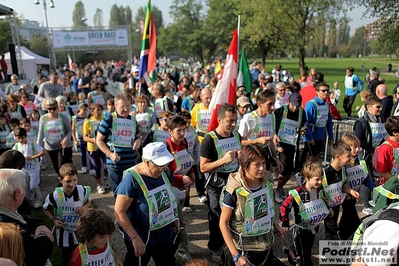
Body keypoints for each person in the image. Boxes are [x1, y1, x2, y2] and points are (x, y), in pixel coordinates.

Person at [114, 142, 179, 266]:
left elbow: (168, 197)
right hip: (142, 237)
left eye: (165, 164)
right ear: (147, 162)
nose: (164, 168)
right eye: (160, 165)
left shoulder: (164, 171)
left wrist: (174, 218)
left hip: (164, 234)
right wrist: (134, 237)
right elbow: (119, 211)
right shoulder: (131, 180)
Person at [219, 144, 284, 265]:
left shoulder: (267, 183)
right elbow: (223, 223)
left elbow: (268, 209)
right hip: (244, 251)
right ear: (245, 166)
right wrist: (236, 256)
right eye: (257, 164)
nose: (262, 168)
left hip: (265, 247)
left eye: (263, 163)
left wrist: (275, 224)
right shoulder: (234, 190)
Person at [200, 103, 242, 263]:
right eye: (230, 121)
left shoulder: (236, 135)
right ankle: (215, 248)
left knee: (235, 216)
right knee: (217, 218)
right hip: (216, 187)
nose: (233, 124)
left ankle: (233, 246)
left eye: (235, 120)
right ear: (219, 119)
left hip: (234, 183)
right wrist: (222, 161)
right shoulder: (209, 139)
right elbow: (203, 167)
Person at [280, 160, 333, 266]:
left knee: (306, 248)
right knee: (306, 254)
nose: (320, 182)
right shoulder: (297, 193)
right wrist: (285, 222)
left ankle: (291, 253)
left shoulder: (320, 190)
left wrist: (328, 208)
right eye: (317, 179)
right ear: (307, 178)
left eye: (321, 179)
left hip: (314, 226)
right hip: (301, 228)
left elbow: (324, 201)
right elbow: (284, 206)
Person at [0, 169, 53, 266]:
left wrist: (39, 225)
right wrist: (44, 237)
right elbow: (35, 256)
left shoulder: (7, 211)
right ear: (17, 195)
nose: (25, 192)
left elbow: (23, 218)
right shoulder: (10, 230)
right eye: (25, 188)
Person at [43, 163, 91, 266]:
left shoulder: (82, 190)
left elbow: (89, 200)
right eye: (68, 181)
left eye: (74, 180)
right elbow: (45, 208)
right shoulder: (54, 196)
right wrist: (53, 220)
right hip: (63, 233)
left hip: (80, 230)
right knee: (68, 257)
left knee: (82, 254)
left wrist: (85, 208)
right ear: (60, 179)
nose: (72, 184)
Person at [96, 94, 142, 192]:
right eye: (122, 107)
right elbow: (99, 140)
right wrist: (110, 154)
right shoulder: (109, 119)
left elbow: (138, 137)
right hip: (115, 165)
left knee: (131, 192)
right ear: (115, 106)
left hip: (131, 163)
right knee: (118, 193)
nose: (126, 109)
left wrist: (138, 141)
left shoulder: (133, 120)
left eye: (128, 106)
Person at [354, 95, 386, 215]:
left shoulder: (381, 120)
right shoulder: (361, 122)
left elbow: (383, 137)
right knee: (368, 179)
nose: (380, 110)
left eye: (381, 107)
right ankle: (366, 204)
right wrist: (373, 150)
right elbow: (360, 140)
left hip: (376, 155)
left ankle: (374, 201)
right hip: (365, 155)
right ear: (368, 107)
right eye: (377, 107)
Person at [340, 134, 375, 240]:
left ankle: (342, 233)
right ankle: (346, 236)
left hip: (354, 194)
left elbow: (365, 177)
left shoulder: (359, 160)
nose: (358, 149)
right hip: (345, 195)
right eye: (354, 147)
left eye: (358, 147)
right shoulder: (343, 163)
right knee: (352, 218)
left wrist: (374, 187)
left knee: (347, 215)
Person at [322, 142, 359, 240]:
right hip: (326, 206)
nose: (351, 158)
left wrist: (350, 191)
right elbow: (319, 189)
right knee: (330, 229)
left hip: (336, 204)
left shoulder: (343, 169)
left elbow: (341, 185)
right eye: (348, 156)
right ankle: (329, 252)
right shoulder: (325, 172)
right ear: (338, 157)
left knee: (334, 228)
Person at [274, 92, 307, 203]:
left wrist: (303, 130)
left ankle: (280, 187)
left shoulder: (302, 112)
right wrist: (274, 135)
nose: (295, 107)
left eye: (297, 105)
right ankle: (278, 189)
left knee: (289, 172)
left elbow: (303, 125)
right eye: (293, 104)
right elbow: (272, 123)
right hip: (281, 145)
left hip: (293, 145)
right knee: (283, 170)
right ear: (289, 101)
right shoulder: (280, 111)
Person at [37, 98, 72, 176]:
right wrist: (38, 147)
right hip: (50, 146)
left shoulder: (63, 117)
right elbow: (40, 133)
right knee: (56, 166)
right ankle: (61, 180)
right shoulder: (43, 118)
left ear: (57, 108)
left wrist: (66, 138)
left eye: (54, 108)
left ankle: (64, 182)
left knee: (62, 165)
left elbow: (70, 130)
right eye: (49, 109)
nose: (52, 111)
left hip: (63, 146)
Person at [12, 127, 46, 209]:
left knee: (33, 185)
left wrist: (32, 157)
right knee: (25, 186)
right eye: (18, 138)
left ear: (25, 136)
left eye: (22, 138)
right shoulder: (16, 146)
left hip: (34, 168)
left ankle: (38, 199)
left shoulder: (32, 144)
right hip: (23, 169)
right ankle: (29, 201)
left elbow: (44, 152)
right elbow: (13, 156)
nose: (20, 140)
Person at [302, 82, 334, 163]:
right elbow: (306, 122)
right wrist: (310, 137)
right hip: (311, 136)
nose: (326, 93)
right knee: (312, 158)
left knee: (316, 158)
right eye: (323, 91)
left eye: (327, 90)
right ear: (317, 92)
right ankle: (301, 174)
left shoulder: (326, 104)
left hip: (320, 136)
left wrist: (331, 136)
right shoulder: (311, 104)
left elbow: (329, 121)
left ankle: (305, 173)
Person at [372, 116, 399, 212]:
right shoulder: (385, 148)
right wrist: (395, 180)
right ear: (395, 133)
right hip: (389, 187)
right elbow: (381, 171)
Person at [83, 103, 109, 194]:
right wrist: (94, 140)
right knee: (96, 167)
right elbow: (85, 137)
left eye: (100, 110)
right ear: (92, 111)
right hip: (93, 148)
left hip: (104, 147)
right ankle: (99, 185)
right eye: (97, 110)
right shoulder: (88, 122)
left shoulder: (105, 120)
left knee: (107, 165)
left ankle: (106, 179)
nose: (99, 112)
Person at [71, 103, 89, 173]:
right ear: (79, 109)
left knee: (90, 152)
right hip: (80, 138)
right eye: (83, 110)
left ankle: (92, 167)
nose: (85, 111)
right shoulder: (75, 118)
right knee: (82, 153)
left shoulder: (87, 117)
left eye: (86, 110)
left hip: (87, 137)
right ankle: (84, 166)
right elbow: (73, 129)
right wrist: (74, 139)